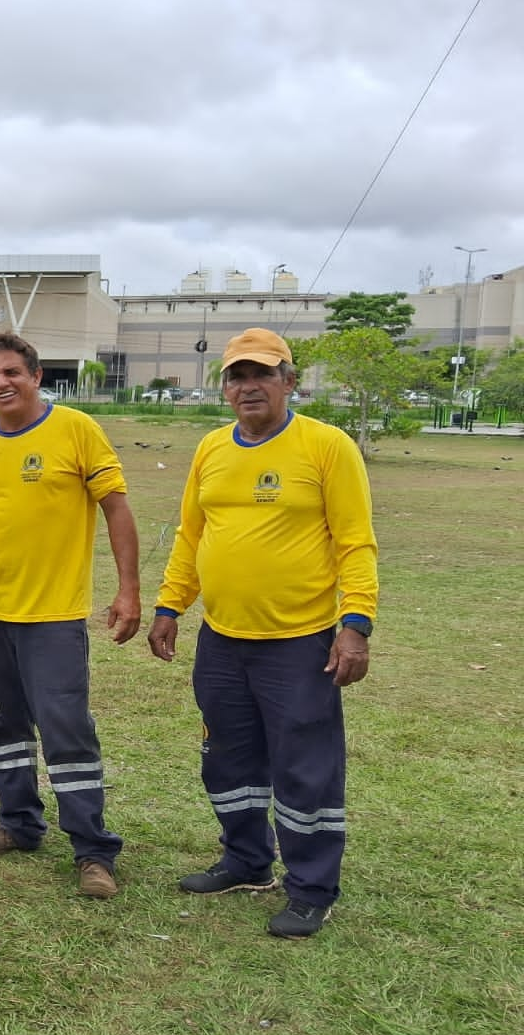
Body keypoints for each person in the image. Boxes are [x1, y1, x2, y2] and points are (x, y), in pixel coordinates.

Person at [147, 328, 378, 939]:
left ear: (289, 381)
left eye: (262, 374)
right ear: (224, 387)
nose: (248, 386)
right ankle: (247, 862)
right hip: (221, 638)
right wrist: (171, 606)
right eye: (236, 376)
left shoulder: (326, 447)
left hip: (300, 641)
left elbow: (355, 542)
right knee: (228, 757)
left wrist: (355, 624)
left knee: (306, 767)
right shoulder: (211, 449)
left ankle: (311, 889)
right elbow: (191, 535)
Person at [0, 331, 140, 899]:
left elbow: (116, 509)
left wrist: (128, 589)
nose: (2, 383)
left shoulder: (76, 431)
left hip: (54, 618)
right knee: (5, 725)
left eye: (12, 373)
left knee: (67, 731)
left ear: (37, 376)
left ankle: (93, 849)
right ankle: (18, 824)